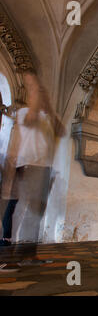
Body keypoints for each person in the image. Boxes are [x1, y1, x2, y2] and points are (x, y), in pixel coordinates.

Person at [0, 72, 64, 271]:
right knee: (19, 212)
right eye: (38, 94)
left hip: (43, 168)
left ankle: (28, 255)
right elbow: (31, 117)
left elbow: (60, 130)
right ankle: (7, 256)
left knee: (35, 213)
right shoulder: (23, 113)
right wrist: (35, 87)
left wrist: (49, 107)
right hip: (27, 166)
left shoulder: (47, 117)